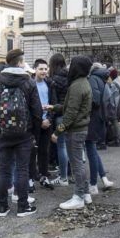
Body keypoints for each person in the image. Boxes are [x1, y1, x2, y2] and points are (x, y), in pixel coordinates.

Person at [0, 48, 42, 217]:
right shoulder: (29, 82)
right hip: (24, 133)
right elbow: (37, 111)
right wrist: (35, 134)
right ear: (19, 62)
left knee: (3, 169)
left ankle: (3, 207)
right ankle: (23, 206)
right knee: (22, 169)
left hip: (3, 133)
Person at [55, 56, 93, 210]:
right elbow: (71, 108)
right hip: (81, 129)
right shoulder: (84, 83)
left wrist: (58, 131)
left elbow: (71, 113)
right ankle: (85, 193)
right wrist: (54, 107)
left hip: (76, 130)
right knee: (80, 163)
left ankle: (78, 197)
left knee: (77, 164)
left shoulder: (77, 85)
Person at [86, 63, 114, 193]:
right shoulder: (102, 80)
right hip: (100, 119)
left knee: (91, 151)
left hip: (92, 119)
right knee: (93, 150)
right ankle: (103, 177)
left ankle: (93, 184)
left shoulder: (92, 79)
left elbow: (95, 100)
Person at [33, 59, 56, 189]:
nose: (43, 71)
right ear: (35, 69)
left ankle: (43, 173)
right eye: (41, 69)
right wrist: (40, 121)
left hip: (47, 121)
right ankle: (32, 175)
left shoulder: (49, 84)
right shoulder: (30, 84)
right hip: (35, 123)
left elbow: (53, 103)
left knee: (44, 150)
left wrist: (48, 119)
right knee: (32, 150)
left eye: (45, 69)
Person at [48, 53, 70, 185]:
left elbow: (54, 101)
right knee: (72, 146)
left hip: (60, 117)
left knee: (61, 147)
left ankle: (63, 177)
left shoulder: (54, 80)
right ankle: (70, 173)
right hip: (71, 116)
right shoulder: (71, 77)